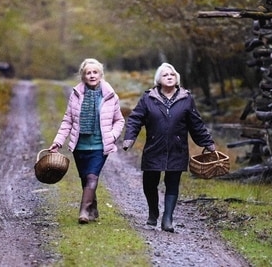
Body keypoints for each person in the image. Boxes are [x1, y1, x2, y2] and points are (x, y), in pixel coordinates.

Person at [122, 62, 216, 232]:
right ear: (159, 79)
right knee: (149, 183)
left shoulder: (186, 98)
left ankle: (168, 219)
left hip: (177, 148)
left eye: (172, 75)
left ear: (177, 78)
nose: (169, 77)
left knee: (173, 182)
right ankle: (153, 212)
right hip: (154, 147)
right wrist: (129, 138)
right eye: (165, 75)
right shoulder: (148, 98)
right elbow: (135, 119)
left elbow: (196, 124)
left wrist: (208, 143)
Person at [48, 58, 125, 224]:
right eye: (88, 73)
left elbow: (119, 120)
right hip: (80, 146)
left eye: (95, 72)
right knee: (85, 178)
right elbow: (68, 120)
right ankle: (93, 207)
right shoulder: (76, 95)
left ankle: (83, 211)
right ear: (83, 76)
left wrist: (112, 136)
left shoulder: (110, 96)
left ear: (101, 75)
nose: (92, 75)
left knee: (92, 177)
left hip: (100, 145)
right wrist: (58, 142)